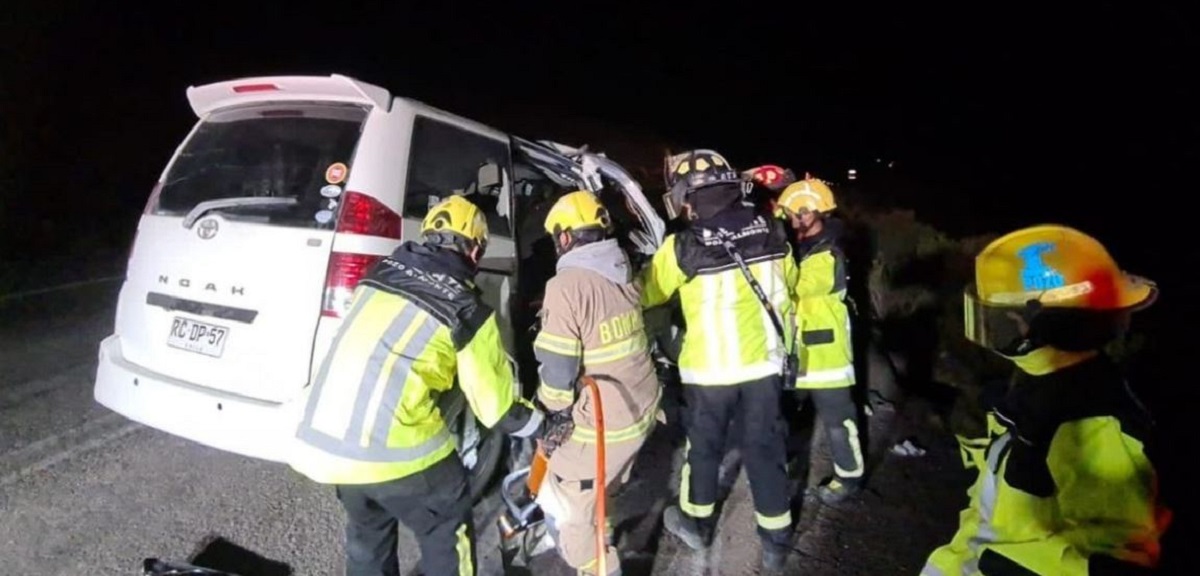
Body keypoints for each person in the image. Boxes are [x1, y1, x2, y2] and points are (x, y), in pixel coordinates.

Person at [288, 195, 544, 576]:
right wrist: (544, 425)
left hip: (327, 443)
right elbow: (497, 409)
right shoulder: (467, 308)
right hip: (397, 451)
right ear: (474, 249)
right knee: (446, 528)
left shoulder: (376, 277)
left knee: (367, 540)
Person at [921, 224, 1172, 575]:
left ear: (1040, 325)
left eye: (1000, 320)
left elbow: (1117, 559)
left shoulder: (1095, 424)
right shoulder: (1034, 384)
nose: (994, 330)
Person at [643, 149, 799, 571]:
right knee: (765, 447)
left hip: (709, 372)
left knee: (705, 448)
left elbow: (647, 293)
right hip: (764, 365)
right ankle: (776, 538)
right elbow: (791, 287)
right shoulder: (771, 228)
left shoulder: (682, 246)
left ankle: (696, 522)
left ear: (689, 196)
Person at [531, 190, 662, 576]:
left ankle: (596, 565)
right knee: (601, 486)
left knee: (569, 500)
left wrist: (552, 415)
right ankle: (599, 525)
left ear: (566, 237)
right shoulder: (623, 270)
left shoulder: (567, 285)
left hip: (607, 421)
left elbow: (557, 368)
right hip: (642, 405)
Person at [774, 177, 866, 504]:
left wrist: (778, 248)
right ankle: (781, 463)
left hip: (826, 354)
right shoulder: (806, 246)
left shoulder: (828, 252)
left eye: (793, 214)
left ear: (811, 212)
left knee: (839, 422)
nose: (789, 220)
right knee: (781, 414)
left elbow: (793, 287)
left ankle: (850, 476)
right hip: (797, 350)